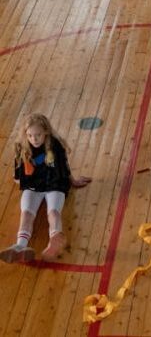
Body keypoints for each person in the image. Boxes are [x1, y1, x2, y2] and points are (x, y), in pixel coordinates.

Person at [0, 113, 91, 264]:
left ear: (46, 132)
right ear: (25, 135)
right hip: (33, 188)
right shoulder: (21, 148)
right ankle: (20, 246)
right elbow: (17, 175)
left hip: (54, 185)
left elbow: (64, 167)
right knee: (26, 214)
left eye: (38, 135)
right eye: (30, 135)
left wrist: (73, 181)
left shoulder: (56, 146)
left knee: (53, 212)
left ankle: (55, 238)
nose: (34, 139)